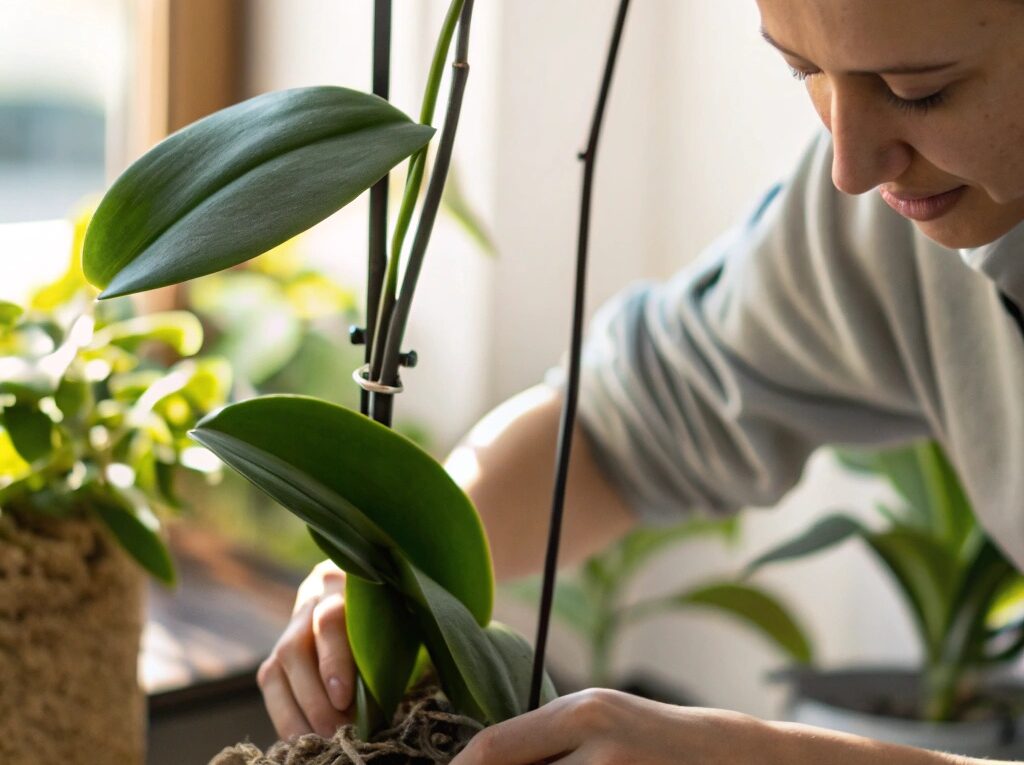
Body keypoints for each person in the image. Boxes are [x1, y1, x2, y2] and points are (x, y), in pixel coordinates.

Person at [258, 0, 1024, 762]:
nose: (850, 168)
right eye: (805, 71)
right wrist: (397, 570)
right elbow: (630, 420)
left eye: (920, 89)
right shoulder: (879, 223)